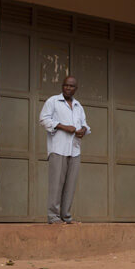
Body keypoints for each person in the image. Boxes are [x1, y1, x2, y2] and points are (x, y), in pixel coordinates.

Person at [39, 76, 90, 224]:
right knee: (56, 184)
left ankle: (66, 216)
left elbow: (85, 124)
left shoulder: (78, 106)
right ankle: (53, 217)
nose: (68, 88)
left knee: (70, 185)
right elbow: (43, 119)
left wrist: (83, 130)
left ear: (76, 89)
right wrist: (63, 126)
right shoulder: (53, 101)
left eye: (71, 86)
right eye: (65, 85)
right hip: (58, 149)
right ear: (62, 86)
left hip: (74, 150)